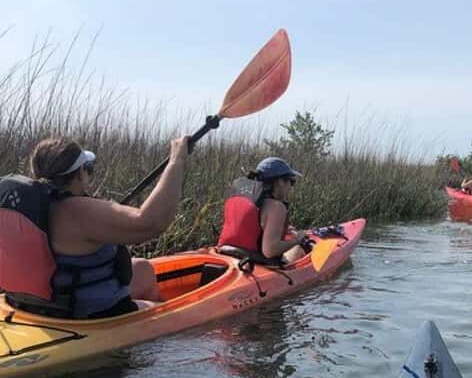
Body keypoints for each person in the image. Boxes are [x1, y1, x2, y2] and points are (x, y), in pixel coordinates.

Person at [0, 136, 191, 318]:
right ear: (79, 175)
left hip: (28, 305)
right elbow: (151, 223)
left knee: (142, 268)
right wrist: (176, 160)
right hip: (86, 315)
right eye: (87, 169)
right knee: (171, 313)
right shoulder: (78, 211)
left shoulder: (19, 208)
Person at [216, 156, 310, 265]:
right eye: (291, 181)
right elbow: (270, 251)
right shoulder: (276, 207)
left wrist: (282, 228)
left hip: (226, 253)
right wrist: (297, 240)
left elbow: (250, 226)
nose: (291, 187)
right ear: (280, 181)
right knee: (298, 248)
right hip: (255, 262)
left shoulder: (241, 198)